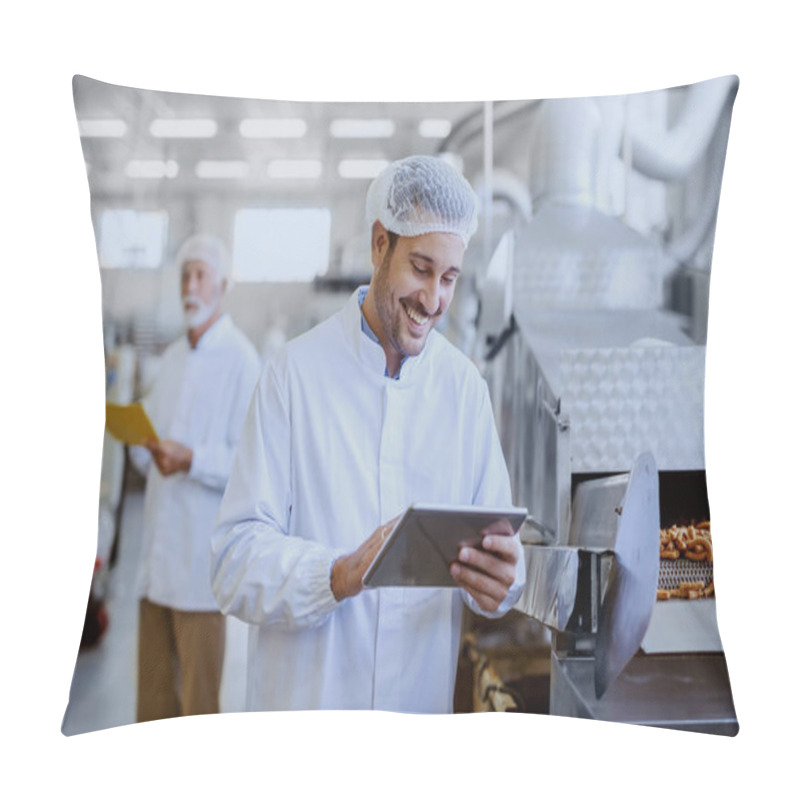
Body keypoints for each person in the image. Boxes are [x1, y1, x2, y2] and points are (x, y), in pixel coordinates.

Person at [211, 156, 526, 713]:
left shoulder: (463, 391)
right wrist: (337, 574)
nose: (433, 299)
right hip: (309, 709)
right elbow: (234, 560)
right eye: (421, 268)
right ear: (380, 244)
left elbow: (497, 549)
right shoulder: (293, 376)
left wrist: (505, 583)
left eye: (449, 277)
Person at [129, 233, 261, 722]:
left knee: (198, 710)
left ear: (222, 285)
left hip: (200, 573)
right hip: (155, 565)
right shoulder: (170, 360)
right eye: (186, 274)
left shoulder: (243, 361)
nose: (191, 284)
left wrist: (191, 459)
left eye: (201, 274)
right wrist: (144, 448)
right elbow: (152, 450)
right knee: (152, 704)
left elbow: (248, 466)